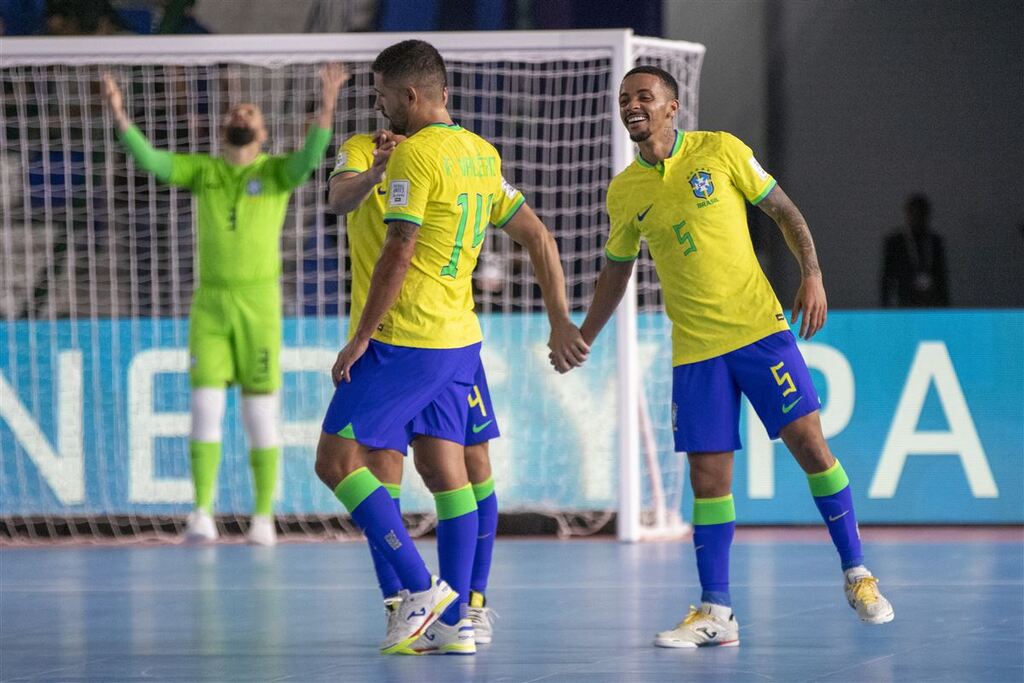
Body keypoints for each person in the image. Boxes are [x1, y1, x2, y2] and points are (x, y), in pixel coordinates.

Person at [574, 65, 894, 648]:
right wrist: (586, 333)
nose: (632, 106)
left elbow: (784, 211)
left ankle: (859, 573)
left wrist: (813, 274)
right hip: (695, 352)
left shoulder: (719, 151)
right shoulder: (625, 191)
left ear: (672, 107)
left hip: (758, 332)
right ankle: (716, 613)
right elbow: (616, 271)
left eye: (644, 97)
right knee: (708, 480)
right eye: (625, 100)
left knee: (811, 446)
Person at [314, 40, 588, 655]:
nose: (377, 103)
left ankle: (424, 592)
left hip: (404, 336)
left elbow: (398, 250)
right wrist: (559, 320)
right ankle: (455, 620)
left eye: (383, 93)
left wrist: (361, 336)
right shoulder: (477, 154)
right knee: (446, 471)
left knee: (336, 463)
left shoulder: (422, 157)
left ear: (410, 95)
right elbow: (537, 236)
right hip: (459, 340)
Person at [102, 64, 345, 547]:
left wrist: (329, 100)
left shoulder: (276, 174)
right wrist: (119, 114)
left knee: (260, 412)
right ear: (223, 129)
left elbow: (312, 155)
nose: (242, 113)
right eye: (236, 109)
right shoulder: (205, 172)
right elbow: (153, 161)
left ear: (262, 132)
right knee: (204, 406)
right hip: (210, 303)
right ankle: (201, 513)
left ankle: (262, 518)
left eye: (250, 111)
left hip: (259, 304)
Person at [327, 127, 503, 644]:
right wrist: (380, 168)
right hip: (417, 337)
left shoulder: (460, 156)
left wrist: (561, 318)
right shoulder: (362, 149)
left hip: (421, 338)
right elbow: (338, 197)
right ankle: (423, 610)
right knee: (396, 468)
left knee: (459, 467)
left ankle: (453, 603)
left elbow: (531, 228)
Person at [880, 193, 950, 307]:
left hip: (932, 302)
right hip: (906, 301)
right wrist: (884, 306)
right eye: (914, 214)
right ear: (908, 214)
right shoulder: (895, 242)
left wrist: (946, 308)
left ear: (927, 215)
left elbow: (942, 277)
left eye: (921, 214)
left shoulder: (935, 241)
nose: (917, 218)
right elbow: (887, 276)